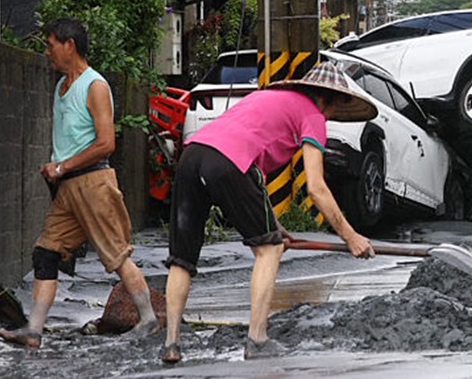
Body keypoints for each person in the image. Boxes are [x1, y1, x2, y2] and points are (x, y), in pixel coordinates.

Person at [159, 60, 379, 365]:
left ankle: (171, 344)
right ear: (333, 99)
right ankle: (257, 339)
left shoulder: (265, 98)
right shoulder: (313, 115)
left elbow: (253, 177)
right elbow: (316, 187)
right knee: (270, 249)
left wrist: (273, 224)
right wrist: (351, 236)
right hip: (226, 163)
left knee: (182, 259)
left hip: (193, 156)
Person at [0, 17, 160, 348]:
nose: (47, 52)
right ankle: (34, 331)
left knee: (116, 255)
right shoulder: (61, 87)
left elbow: (106, 143)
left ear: (69, 45)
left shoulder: (95, 86)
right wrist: (59, 168)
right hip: (68, 188)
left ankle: (149, 319)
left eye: (51, 45)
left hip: (93, 183)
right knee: (45, 253)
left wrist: (62, 166)